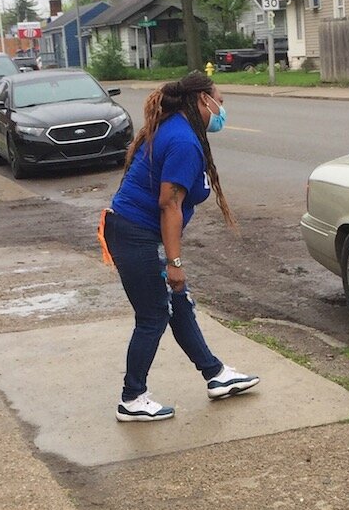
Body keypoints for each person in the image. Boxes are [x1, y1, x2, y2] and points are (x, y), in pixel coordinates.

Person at [98, 71, 258, 422]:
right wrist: (175, 263)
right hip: (135, 235)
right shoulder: (184, 140)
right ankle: (132, 398)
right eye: (220, 101)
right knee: (153, 315)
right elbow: (169, 205)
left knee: (178, 305)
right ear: (203, 100)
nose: (222, 110)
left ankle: (215, 374)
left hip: (135, 232)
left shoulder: (177, 129)